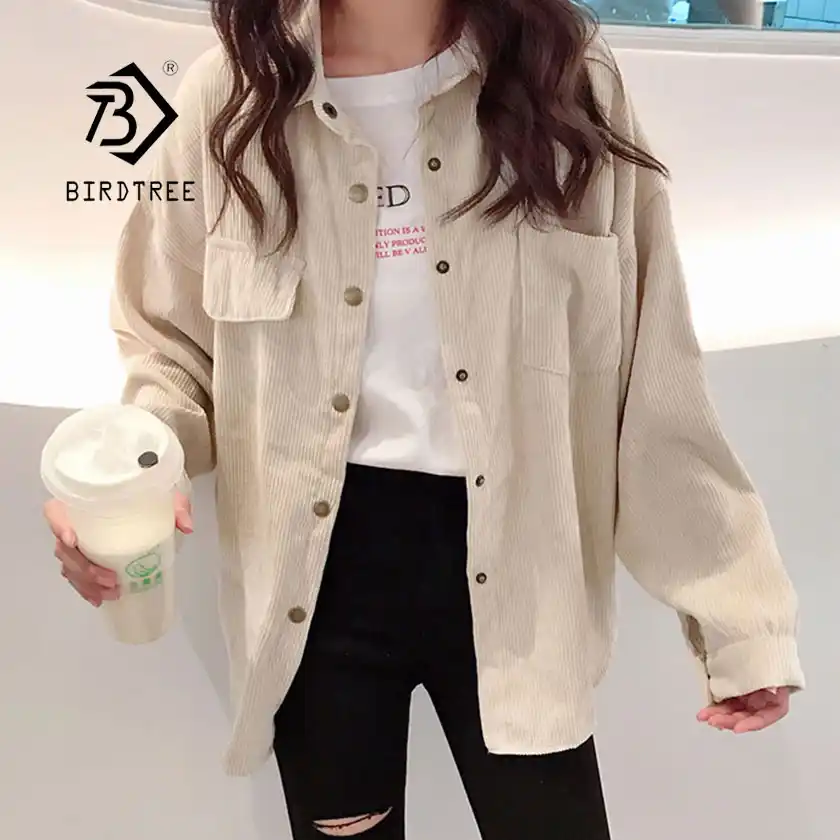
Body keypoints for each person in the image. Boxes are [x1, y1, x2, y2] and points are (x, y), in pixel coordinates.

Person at [45, 0, 805, 837]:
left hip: (524, 571)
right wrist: (134, 468)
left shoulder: (567, 79)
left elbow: (653, 372)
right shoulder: (232, 96)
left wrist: (739, 616)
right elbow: (169, 347)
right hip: (317, 589)